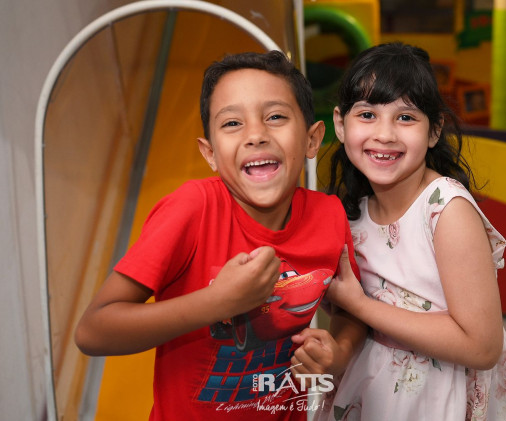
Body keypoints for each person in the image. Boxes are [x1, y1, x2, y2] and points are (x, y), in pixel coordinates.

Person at [75, 50, 365, 421]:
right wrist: (218, 302)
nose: (255, 135)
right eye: (232, 123)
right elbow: (93, 331)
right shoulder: (191, 210)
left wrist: (340, 352)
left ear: (312, 140)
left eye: (275, 117)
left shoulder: (328, 216)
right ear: (210, 153)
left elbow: (350, 309)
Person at [314, 42, 506, 420]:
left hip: (437, 396)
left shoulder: (446, 210)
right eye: (367, 114)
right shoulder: (351, 215)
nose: (384, 134)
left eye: (405, 117)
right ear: (340, 124)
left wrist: (361, 305)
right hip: (372, 390)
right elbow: (349, 318)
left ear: (434, 131)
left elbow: (482, 347)